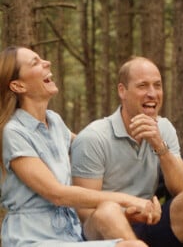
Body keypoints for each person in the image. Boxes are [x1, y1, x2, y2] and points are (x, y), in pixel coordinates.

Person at [71, 56, 183, 247]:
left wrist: (159, 145)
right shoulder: (93, 138)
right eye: (143, 86)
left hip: (149, 223)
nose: (152, 93)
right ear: (122, 91)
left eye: (157, 85)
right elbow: (85, 213)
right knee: (107, 212)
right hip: (106, 233)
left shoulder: (164, 129)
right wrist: (127, 213)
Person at [0, 47, 161, 247]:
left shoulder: (55, 121)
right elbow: (57, 194)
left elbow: (92, 148)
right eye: (35, 62)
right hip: (31, 240)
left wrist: (154, 145)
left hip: (71, 236)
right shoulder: (13, 132)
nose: (47, 63)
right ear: (18, 85)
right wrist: (129, 200)